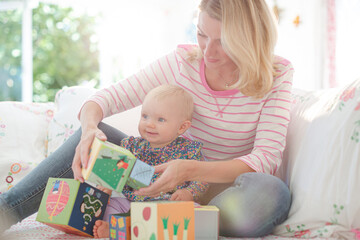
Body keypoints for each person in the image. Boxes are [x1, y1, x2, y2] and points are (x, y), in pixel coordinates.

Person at [0, 0, 294, 237]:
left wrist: (191, 172)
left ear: (250, 37)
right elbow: (103, 99)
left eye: (224, 41)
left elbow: (266, 157)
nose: (208, 51)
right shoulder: (183, 62)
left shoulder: (277, 74)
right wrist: (89, 130)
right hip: (153, 180)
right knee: (100, 132)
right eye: (202, 34)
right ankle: (7, 210)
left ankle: (180, 221)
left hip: (223, 195)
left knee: (271, 190)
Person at [93, 85, 209, 238]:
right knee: (111, 204)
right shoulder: (131, 146)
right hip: (131, 205)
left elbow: (202, 179)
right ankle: (122, 228)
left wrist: (189, 192)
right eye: (145, 116)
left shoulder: (188, 150)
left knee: (196, 211)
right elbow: (115, 169)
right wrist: (107, 184)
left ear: (182, 127)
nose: (149, 124)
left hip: (168, 204)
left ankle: (139, 230)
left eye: (160, 119)